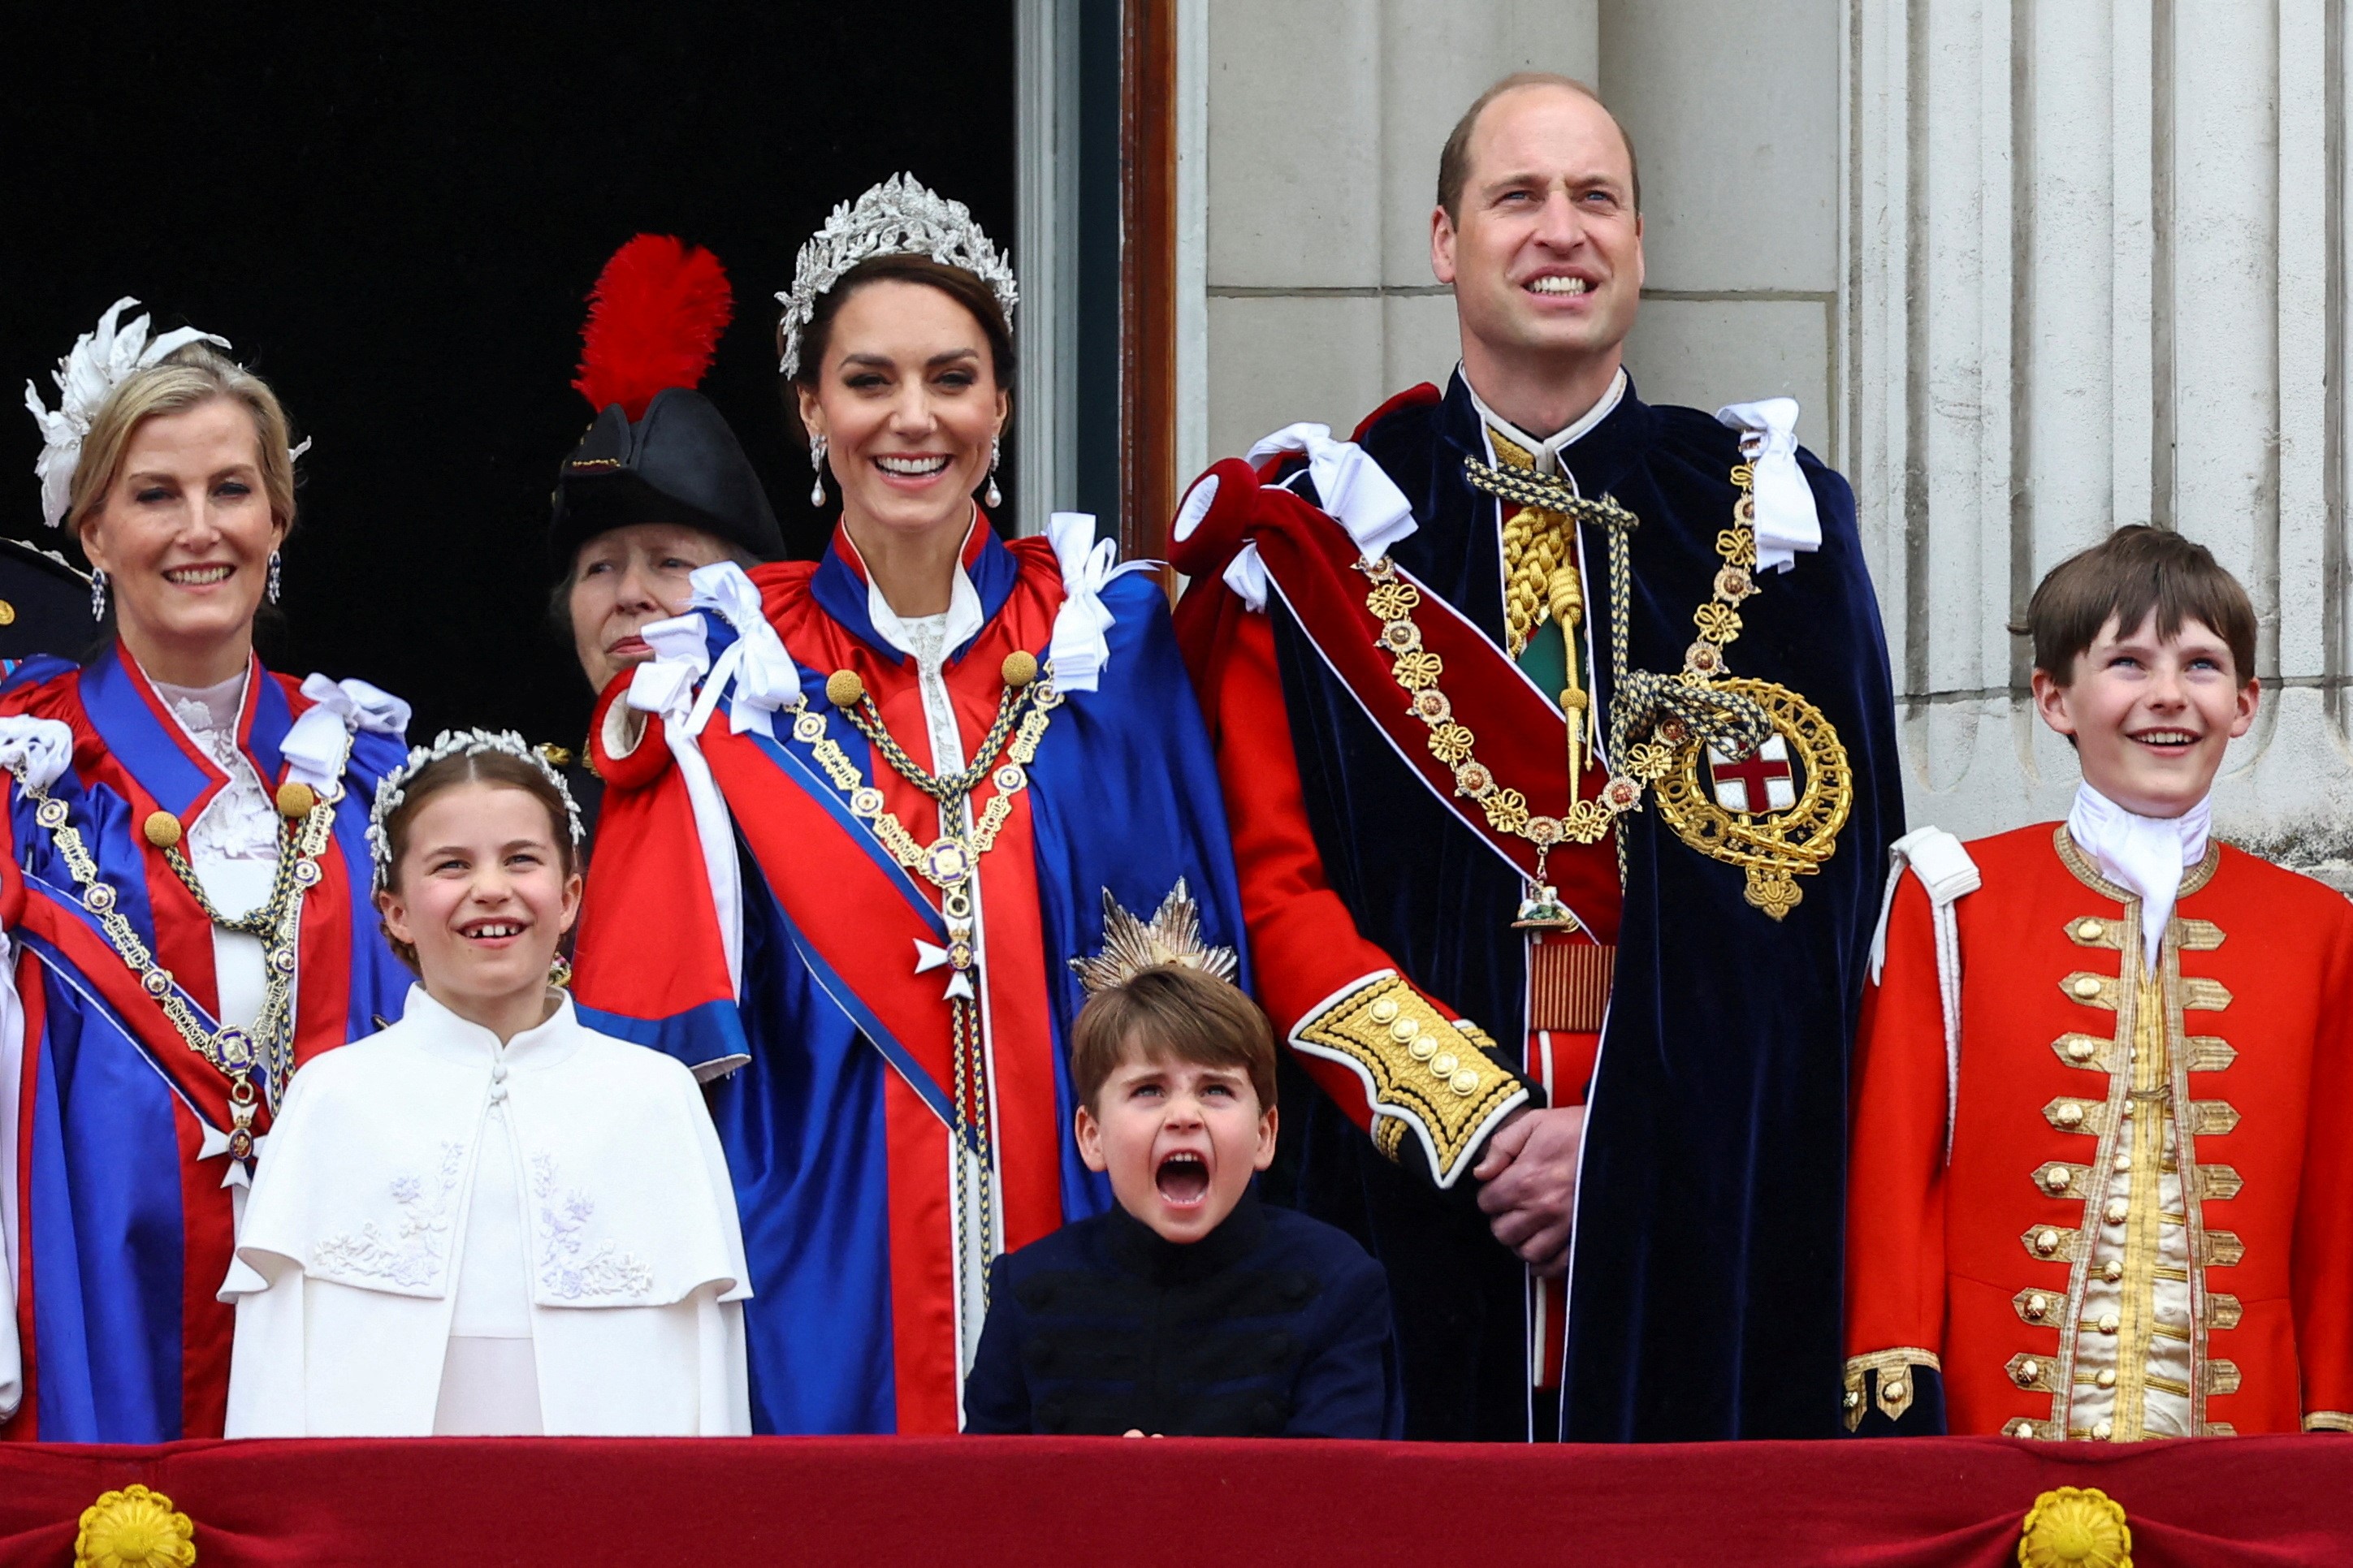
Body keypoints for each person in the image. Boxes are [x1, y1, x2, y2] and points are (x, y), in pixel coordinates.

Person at [1167, 74, 1903, 1441]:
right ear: (1445, 241)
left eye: (1595, 199)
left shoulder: (1777, 524)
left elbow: (1827, 911)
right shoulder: (1323, 531)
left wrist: (1628, 1140)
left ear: (1638, 244)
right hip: (1401, 1212)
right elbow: (1273, 892)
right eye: (1517, 197)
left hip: (1703, 1212)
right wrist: (1484, 1130)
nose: (1559, 231)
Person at [569, 175, 1248, 1435]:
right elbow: (643, 1078)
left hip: (1097, 1267)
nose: (913, 417)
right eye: (870, 380)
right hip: (818, 1294)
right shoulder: (722, 672)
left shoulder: (1111, 637)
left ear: (1000, 399)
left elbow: (1197, 1009)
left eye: (951, 376)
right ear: (813, 410)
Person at [0, 300, 413, 1441]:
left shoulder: (374, 775)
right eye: (153, 494)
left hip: (354, 1289)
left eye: (232, 488)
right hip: (92, 1289)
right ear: (89, 531)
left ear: (277, 515)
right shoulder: (23, 776)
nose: (201, 528)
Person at [1845, 528, 2353, 1442]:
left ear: (2242, 704)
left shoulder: (2321, 929)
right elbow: (1893, 1168)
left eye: (2201, 666)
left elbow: (2334, 1210)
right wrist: (1891, 1370)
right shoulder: (1949, 896)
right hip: (1989, 1430)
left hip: (2245, 1440)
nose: (2168, 695)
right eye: (2126, 662)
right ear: (2054, 697)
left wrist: (2331, 1416)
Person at [221, 731, 750, 1436]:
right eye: (451, 864)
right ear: (396, 910)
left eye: (520, 859)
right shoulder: (331, 1096)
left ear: (568, 898)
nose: (491, 888)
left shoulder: (656, 1097)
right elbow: (271, 1373)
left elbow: (709, 1372)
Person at [962, 957, 1400, 1438]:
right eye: (1149, 1090)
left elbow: (1341, 1496)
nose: (1184, 1115)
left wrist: (1177, 1492)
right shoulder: (1026, 1288)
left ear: (1264, 1135)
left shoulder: (1337, 1281)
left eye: (1215, 1089)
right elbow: (980, 1497)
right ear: (1092, 1137)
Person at [547, 235, 788, 842]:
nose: (630, 593)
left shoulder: (811, 796)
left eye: (671, 562)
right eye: (599, 568)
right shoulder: (529, 826)